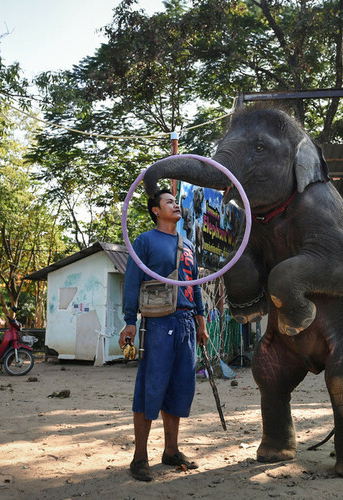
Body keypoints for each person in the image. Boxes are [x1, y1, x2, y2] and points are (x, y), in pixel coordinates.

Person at [119, 189, 209, 482]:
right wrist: (129, 321)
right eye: (169, 201)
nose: (176, 205)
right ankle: (139, 458)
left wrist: (201, 320)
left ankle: (171, 451)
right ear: (156, 210)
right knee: (151, 387)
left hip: (185, 323)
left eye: (176, 201)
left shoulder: (188, 245)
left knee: (181, 387)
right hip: (157, 324)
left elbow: (195, 285)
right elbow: (132, 280)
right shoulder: (144, 241)